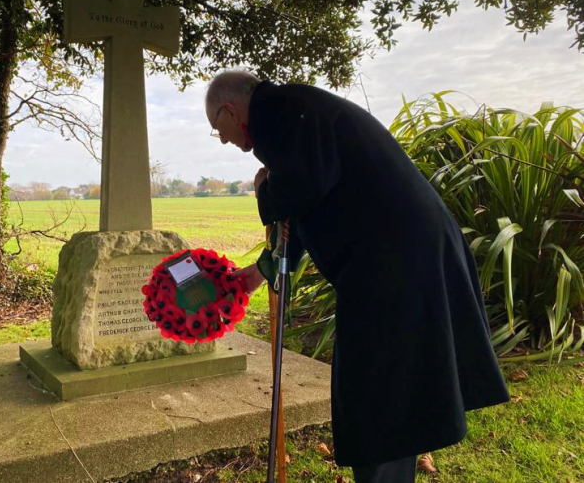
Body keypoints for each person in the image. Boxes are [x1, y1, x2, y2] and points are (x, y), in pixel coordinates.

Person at [205, 70, 510, 483]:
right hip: (405, 252)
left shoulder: (279, 111)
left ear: (229, 109)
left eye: (216, 129)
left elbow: (301, 187)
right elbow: (305, 204)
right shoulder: (290, 112)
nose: (223, 139)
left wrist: (263, 190)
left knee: (377, 391)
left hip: (395, 260)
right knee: (394, 386)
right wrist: (262, 272)